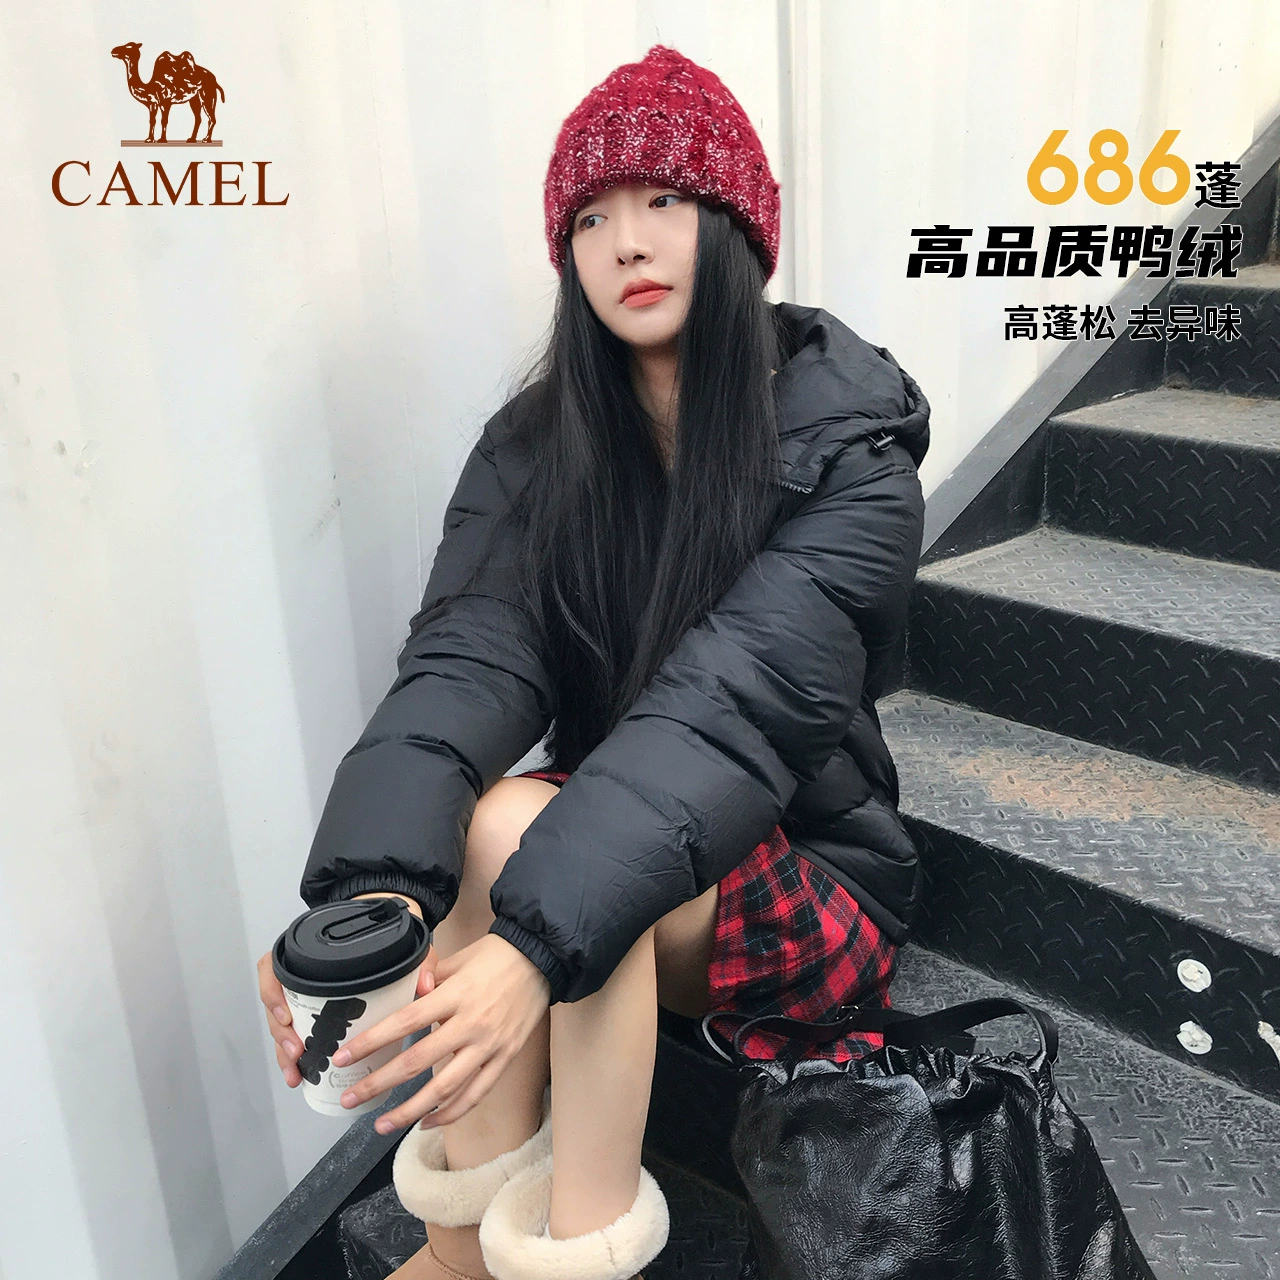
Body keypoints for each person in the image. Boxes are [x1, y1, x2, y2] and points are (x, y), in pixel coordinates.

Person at [256, 43, 929, 1280]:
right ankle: (460, 1250)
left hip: (801, 873)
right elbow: (462, 663)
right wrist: (365, 898)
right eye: (591, 217)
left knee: (545, 843)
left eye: (664, 199)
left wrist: (527, 950)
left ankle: (576, 1251)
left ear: (734, 226)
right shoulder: (535, 446)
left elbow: (726, 716)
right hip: (614, 863)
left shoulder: (850, 452)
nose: (626, 242)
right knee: (505, 828)